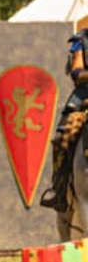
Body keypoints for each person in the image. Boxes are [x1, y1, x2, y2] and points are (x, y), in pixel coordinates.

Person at [41, 28, 88, 211]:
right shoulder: (81, 40)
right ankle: (59, 190)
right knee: (64, 136)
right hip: (84, 98)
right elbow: (76, 71)